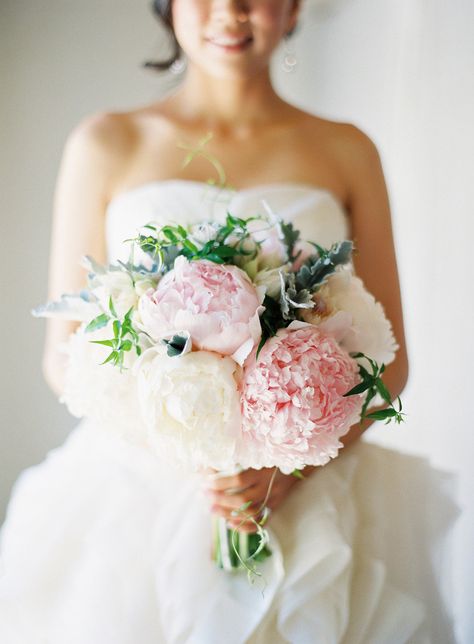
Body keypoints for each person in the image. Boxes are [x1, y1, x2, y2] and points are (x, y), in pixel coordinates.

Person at [0, 1, 459, 642]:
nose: (232, 12)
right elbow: (64, 352)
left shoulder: (347, 149)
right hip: (137, 489)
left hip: (313, 494)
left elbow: (392, 364)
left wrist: (286, 472)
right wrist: (185, 446)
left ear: (294, 5)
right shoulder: (106, 143)